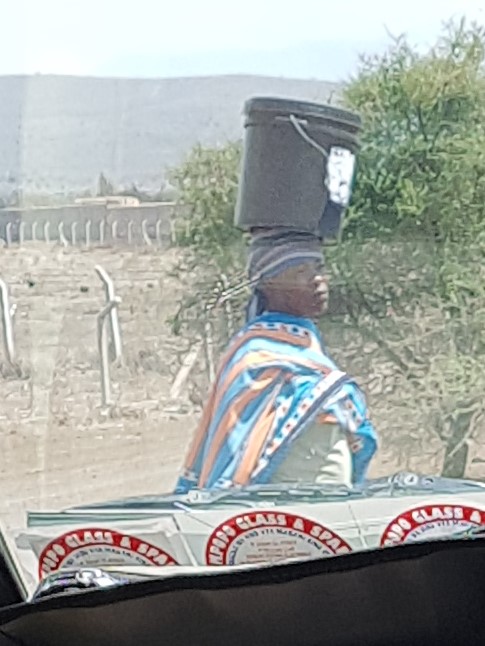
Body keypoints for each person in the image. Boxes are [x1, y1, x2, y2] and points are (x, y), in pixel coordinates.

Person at [175, 229, 377, 493]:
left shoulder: (307, 343)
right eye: (300, 272)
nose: (317, 280)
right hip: (288, 509)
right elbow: (238, 445)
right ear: (270, 285)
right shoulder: (254, 354)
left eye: (319, 268)